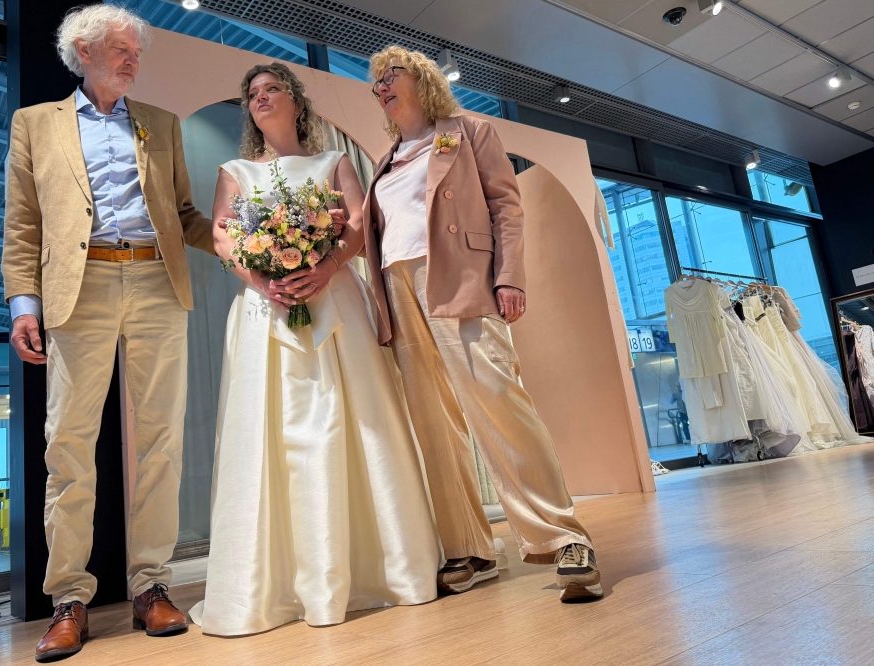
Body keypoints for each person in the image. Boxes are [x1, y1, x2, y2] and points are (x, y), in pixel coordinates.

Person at [188, 62, 440, 636]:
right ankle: (275, 582)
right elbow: (224, 234)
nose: (260, 98)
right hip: (265, 307)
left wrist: (322, 266)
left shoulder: (334, 163)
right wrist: (263, 277)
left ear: (296, 101)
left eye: (272, 88)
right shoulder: (234, 171)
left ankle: (381, 567)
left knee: (351, 421)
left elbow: (355, 226)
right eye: (251, 93)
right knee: (270, 432)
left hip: (334, 302)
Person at [1, 6, 214, 661]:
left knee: (161, 444)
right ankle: (69, 599)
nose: (133, 61)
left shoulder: (161, 124)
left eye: (136, 52)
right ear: (84, 51)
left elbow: (183, 215)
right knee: (67, 446)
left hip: (155, 281)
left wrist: (246, 245)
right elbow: (22, 225)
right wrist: (21, 305)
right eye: (122, 50)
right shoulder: (35, 124)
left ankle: (151, 586)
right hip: (79, 289)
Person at [363, 46, 603, 602]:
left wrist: (509, 277)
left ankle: (564, 536)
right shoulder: (387, 157)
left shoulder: (469, 132)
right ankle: (468, 546)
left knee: (498, 400)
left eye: (389, 75)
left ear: (420, 79)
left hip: (461, 278)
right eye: (375, 82)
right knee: (433, 423)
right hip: (400, 292)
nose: (380, 87)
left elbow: (505, 207)